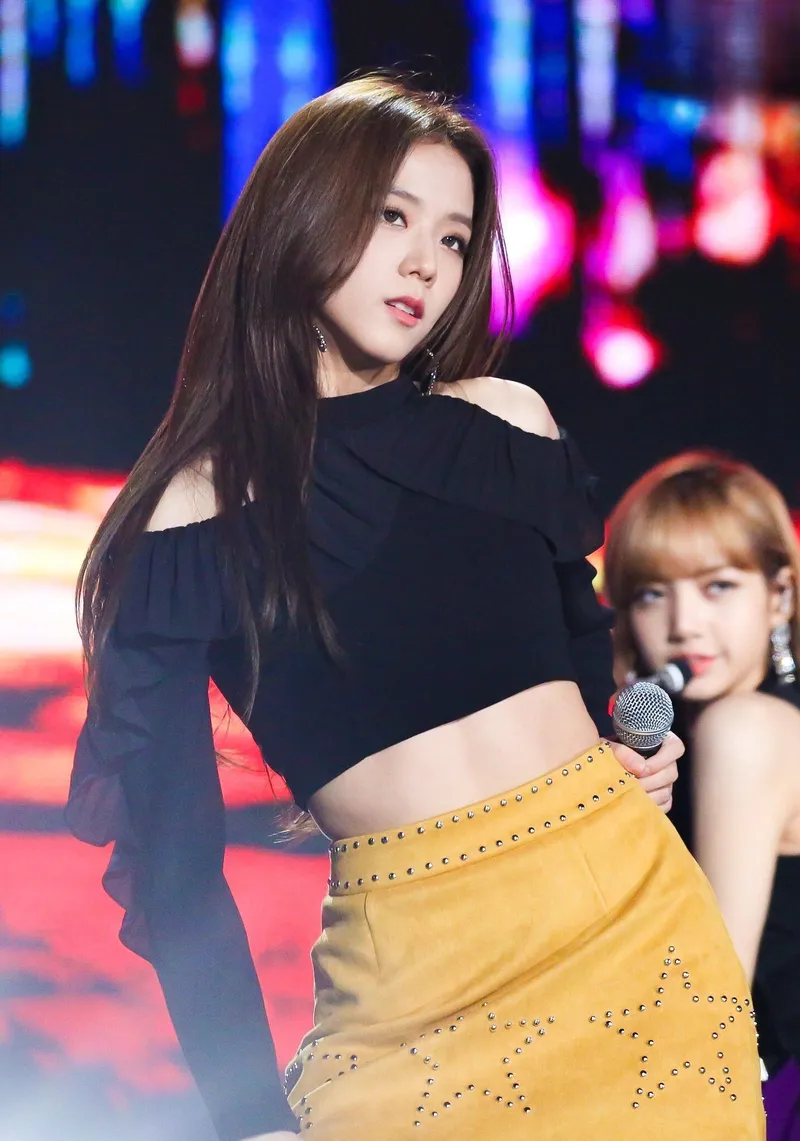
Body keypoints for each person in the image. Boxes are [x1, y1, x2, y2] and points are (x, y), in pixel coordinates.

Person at [65, 76, 763, 1141]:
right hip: (410, 993)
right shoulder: (184, 522)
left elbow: (593, 684)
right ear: (300, 212)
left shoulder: (506, 426)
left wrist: (635, 757)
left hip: (635, 935)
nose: (425, 265)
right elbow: (177, 874)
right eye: (391, 216)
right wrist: (250, 1117)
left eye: (453, 237)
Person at [605, 450, 800, 1135]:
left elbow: (709, 1004)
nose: (683, 623)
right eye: (651, 594)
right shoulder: (699, 739)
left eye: (717, 585)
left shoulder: (745, 728)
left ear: (779, 596)